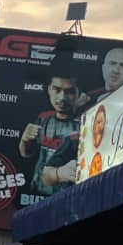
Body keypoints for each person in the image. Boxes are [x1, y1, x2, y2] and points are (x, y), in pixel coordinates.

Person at [19, 68, 82, 198]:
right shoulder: (43, 118)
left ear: (78, 93)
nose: (62, 97)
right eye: (57, 89)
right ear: (49, 89)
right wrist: (24, 141)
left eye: (69, 91)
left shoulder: (86, 123)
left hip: (65, 197)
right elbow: (26, 153)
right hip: (36, 192)